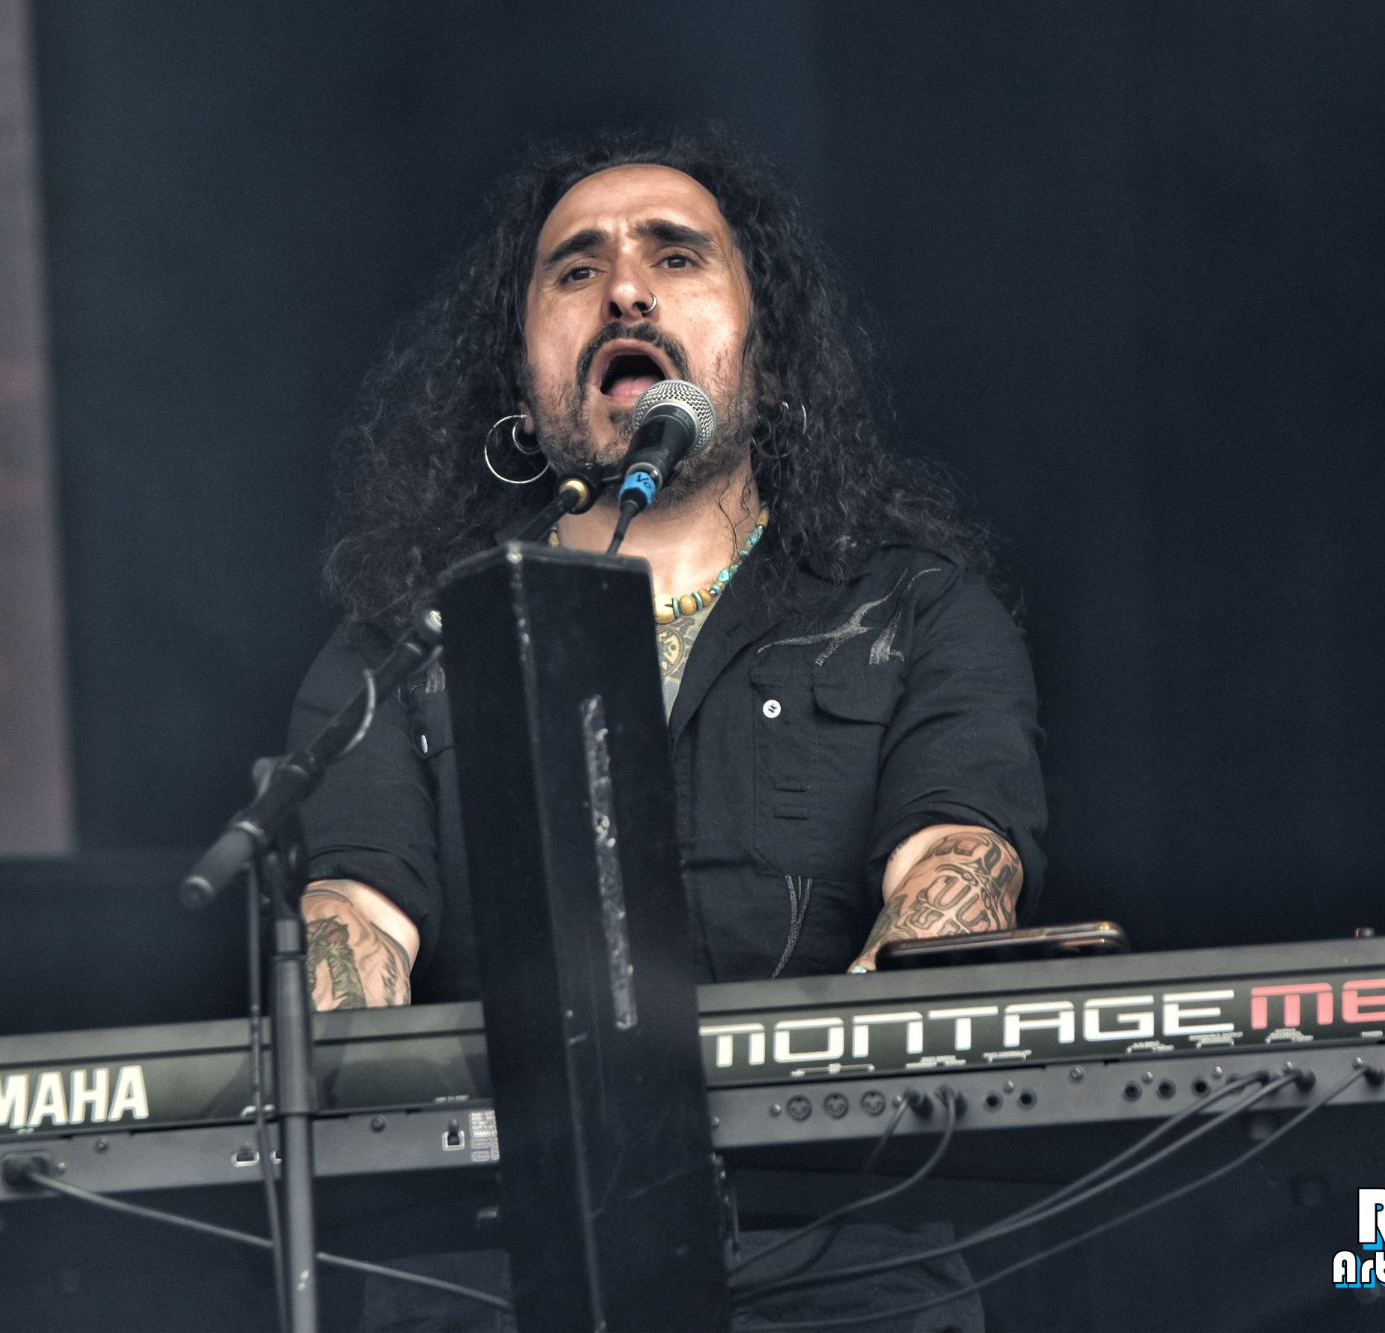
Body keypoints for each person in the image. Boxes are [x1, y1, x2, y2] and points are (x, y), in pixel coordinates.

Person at [288, 128, 1046, 1333]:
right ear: (524, 382)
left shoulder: (914, 613)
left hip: (835, 1264)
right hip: (491, 1273)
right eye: (575, 268)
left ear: (767, 361)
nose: (625, 290)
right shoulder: (402, 643)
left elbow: (954, 870)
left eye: (676, 256)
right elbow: (355, 916)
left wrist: (816, 1082)